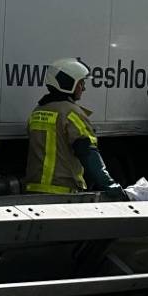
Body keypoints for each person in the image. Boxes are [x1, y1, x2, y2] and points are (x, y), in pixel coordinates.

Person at [25, 57, 122, 197]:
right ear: (68, 83)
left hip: (33, 190)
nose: (84, 88)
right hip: (62, 192)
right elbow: (88, 153)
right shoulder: (71, 113)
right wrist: (109, 184)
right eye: (81, 83)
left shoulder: (37, 111)